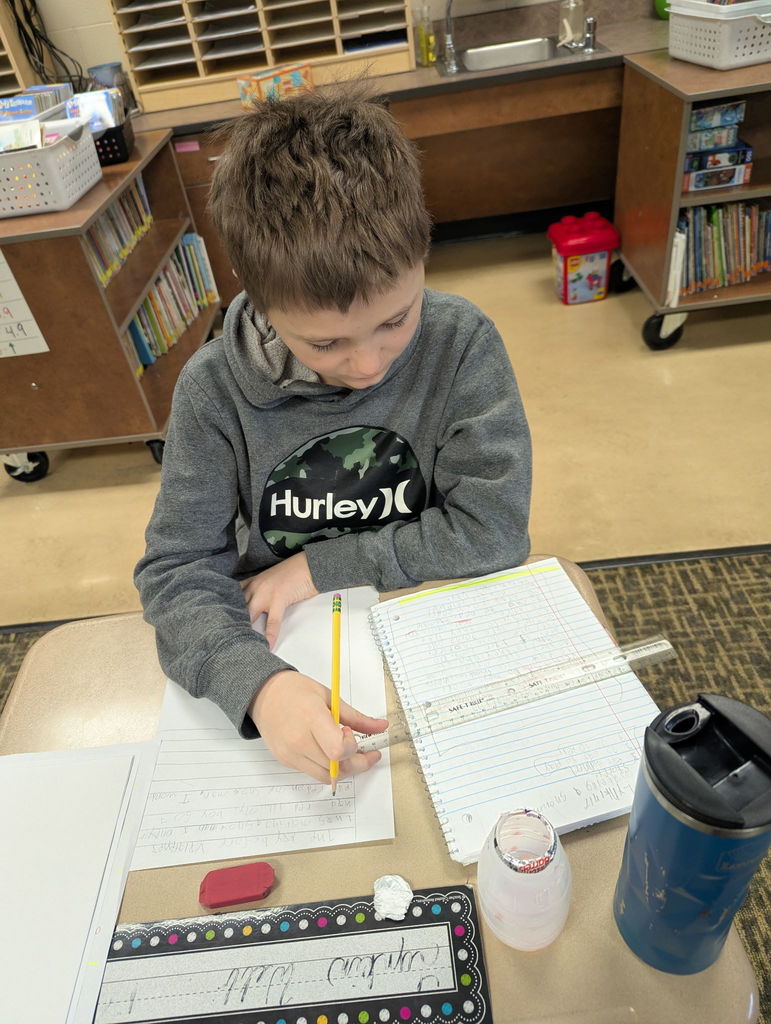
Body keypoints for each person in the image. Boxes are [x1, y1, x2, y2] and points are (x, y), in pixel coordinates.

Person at [135, 82, 604, 788]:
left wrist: (320, 565)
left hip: (438, 629)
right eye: (324, 343)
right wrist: (261, 688)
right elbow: (175, 573)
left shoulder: (461, 343)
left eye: (394, 319)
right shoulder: (213, 389)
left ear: (422, 253)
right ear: (259, 300)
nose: (367, 364)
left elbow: (493, 531)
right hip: (291, 651)